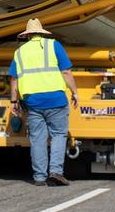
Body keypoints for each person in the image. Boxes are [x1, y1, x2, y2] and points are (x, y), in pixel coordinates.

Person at [8, 18, 81, 187]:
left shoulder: (20, 52)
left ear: (27, 36)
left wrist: (13, 101)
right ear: (42, 33)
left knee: (38, 139)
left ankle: (39, 177)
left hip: (33, 102)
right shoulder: (53, 45)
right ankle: (55, 172)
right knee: (58, 135)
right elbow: (66, 72)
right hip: (56, 99)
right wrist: (75, 92)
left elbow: (14, 79)